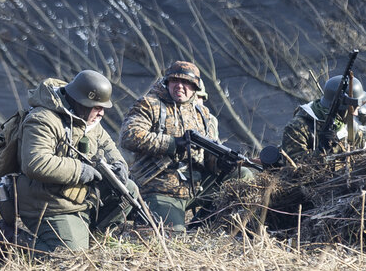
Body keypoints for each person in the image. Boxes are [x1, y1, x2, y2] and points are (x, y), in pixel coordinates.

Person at [120, 61, 251, 232]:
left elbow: (208, 154)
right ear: (167, 82)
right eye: (175, 81)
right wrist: (173, 144)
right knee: (171, 239)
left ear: (195, 87)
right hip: (159, 187)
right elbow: (129, 136)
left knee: (243, 175)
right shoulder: (149, 104)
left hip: (196, 185)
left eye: (187, 83)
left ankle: (204, 224)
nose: (180, 86)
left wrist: (220, 163)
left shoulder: (202, 114)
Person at [16, 70, 136, 253]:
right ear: (81, 102)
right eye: (97, 107)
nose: (102, 113)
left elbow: (108, 146)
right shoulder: (42, 119)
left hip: (80, 197)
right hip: (49, 203)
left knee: (128, 189)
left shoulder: (88, 119)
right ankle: (12, 239)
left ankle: (91, 239)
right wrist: (81, 170)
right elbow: (35, 163)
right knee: (70, 257)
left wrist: (119, 165)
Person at [281, 74, 366, 161]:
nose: (356, 113)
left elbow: (363, 157)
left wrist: (339, 146)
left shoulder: (351, 125)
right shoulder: (297, 128)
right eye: (354, 108)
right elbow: (294, 169)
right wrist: (322, 149)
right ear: (341, 109)